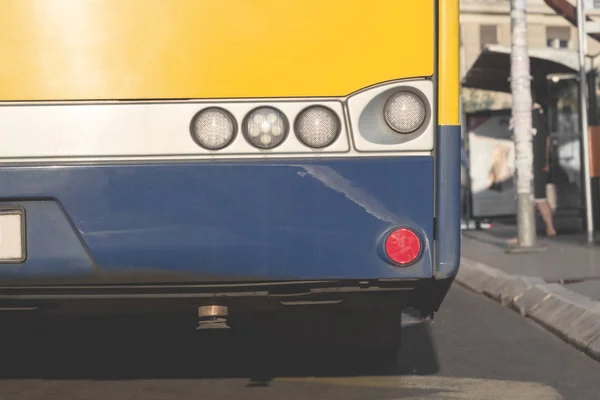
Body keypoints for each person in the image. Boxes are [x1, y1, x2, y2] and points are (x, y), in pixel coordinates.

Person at [532, 106, 557, 238]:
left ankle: (548, 227)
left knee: (538, 197)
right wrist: (545, 161)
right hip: (539, 163)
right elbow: (547, 141)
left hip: (533, 165)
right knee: (540, 197)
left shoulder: (529, 119)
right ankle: (549, 227)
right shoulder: (541, 120)